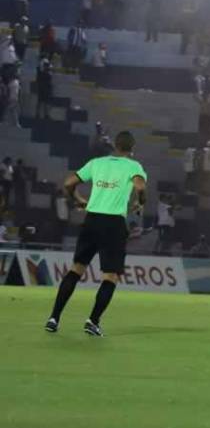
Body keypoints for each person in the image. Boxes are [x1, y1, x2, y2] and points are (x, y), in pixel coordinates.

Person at [45, 130, 147, 337]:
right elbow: (140, 187)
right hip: (113, 223)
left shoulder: (96, 163)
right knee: (110, 276)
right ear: (132, 149)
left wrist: (78, 200)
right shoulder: (133, 166)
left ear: (115, 145)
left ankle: (53, 318)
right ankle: (93, 321)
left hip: (91, 220)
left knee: (76, 269)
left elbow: (68, 183)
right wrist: (140, 202)